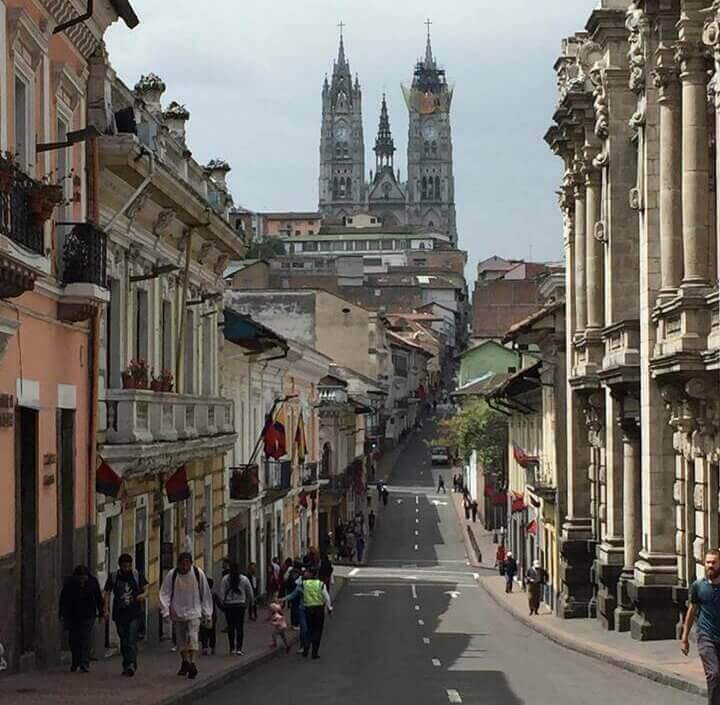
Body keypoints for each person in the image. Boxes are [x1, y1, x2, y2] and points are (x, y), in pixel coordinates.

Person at [159, 552, 213, 679]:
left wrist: (207, 612)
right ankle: (185, 661)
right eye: (182, 564)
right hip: (177, 612)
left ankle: (192, 663)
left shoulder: (197, 573)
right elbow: (165, 593)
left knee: (193, 637)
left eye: (187, 564)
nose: (184, 567)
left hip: (194, 611)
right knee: (180, 640)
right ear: (178, 564)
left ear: (191, 563)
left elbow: (205, 593)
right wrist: (165, 611)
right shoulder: (172, 575)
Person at [681, 549, 720, 704]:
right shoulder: (698, 586)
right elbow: (691, 611)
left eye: (714, 562)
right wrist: (685, 637)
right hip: (706, 635)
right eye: (708, 562)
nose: (710, 565)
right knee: (714, 674)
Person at [104, 554, 148, 677]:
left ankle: (132, 665)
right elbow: (107, 592)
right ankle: (126, 663)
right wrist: (106, 609)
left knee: (131, 639)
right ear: (120, 566)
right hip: (119, 613)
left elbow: (146, 588)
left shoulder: (136, 575)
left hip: (134, 613)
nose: (126, 569)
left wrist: (142, 595)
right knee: (123, 639)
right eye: (124, 566)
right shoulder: (114, 576)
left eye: (128, 566)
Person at [59, 565, 104, 673]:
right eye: (80, 578)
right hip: (73, 615)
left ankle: (84, 663)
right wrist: (62, 614)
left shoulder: (92, 583)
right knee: (74, 639)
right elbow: (63, 599)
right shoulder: (69, 584)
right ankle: (75, 661)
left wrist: (101, 613)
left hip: (88, 615)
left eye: (84, 578)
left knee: (85, 637)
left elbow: (98, 598)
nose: (82, 581)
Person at [219, 561, 255, 655]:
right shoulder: (244, 579)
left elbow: (222, 593)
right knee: (239, 627)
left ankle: (231, 648)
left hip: (229, 606)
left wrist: (223, 603)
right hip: (240, 605)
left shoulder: (225, 579)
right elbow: (250, 592)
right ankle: (239, 648)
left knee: (230, 627)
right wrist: (250, 603)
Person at [301, 566, 333, 659]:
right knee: (317, 631)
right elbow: (327, 597)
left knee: (309, 629)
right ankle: (314, 653)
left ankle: (306, 645)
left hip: (308, 609)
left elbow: (297, 582)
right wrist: (329, 608)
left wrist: (303, 574)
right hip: (319, 610)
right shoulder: (321, 584)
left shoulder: (304, 583)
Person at [200, 578, 222, 655]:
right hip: (212, 615)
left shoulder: (201, 594)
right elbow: (219, 604)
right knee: (212, 631)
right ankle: (212, 647)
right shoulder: (213, 594)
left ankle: (204, 647)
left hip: (203, 614)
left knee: (203, 631)